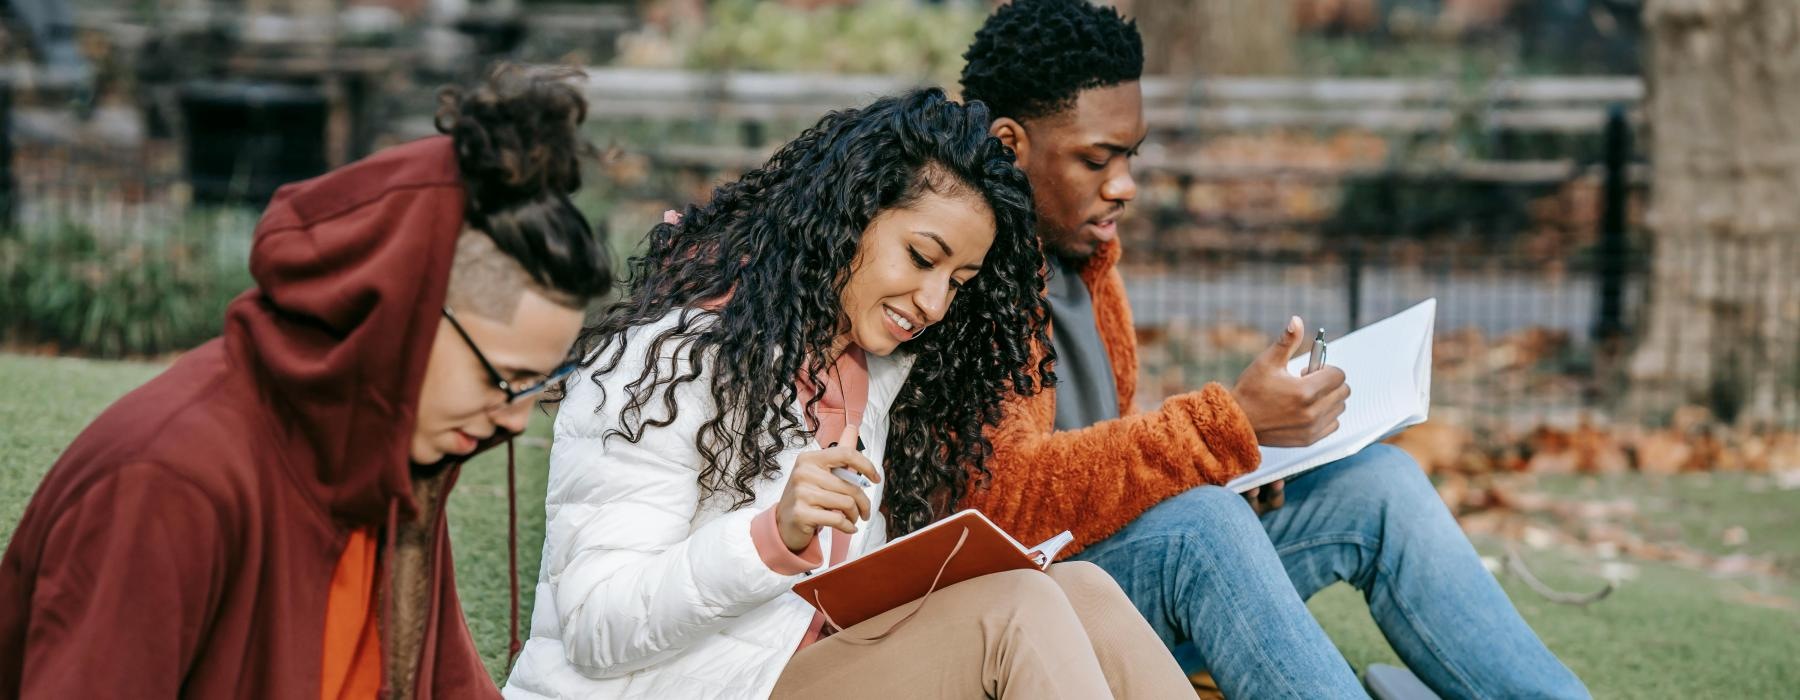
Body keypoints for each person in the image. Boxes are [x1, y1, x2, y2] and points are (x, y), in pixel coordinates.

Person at [954, 1, 1591, 698]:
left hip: (1113, 569)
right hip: (1029, 613)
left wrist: (1240, 459)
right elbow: (1003, 506)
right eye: (1097, 159)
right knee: (1203, 526)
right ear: (1010, 144)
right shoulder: (959, 272)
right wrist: (1222, 428)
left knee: (1379, 483)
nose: (1125, 185)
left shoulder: (1085, 257)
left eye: (1132, 155)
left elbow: (1100, 453)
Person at [502, 88, 1193, 699]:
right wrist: (772, 537)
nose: (932, 302)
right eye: (922, 258)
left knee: (1085, 593)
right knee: (1014, 611)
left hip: (791, 669)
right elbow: (597, 628)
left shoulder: (869, 373)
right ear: (849, 216)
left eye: (957, 282)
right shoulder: (666, 360)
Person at [0, 65, 612, 698]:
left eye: (540, 384)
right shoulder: (167, 479)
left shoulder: (390, 470)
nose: (514, 419)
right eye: (505, 378)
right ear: (399, 314)